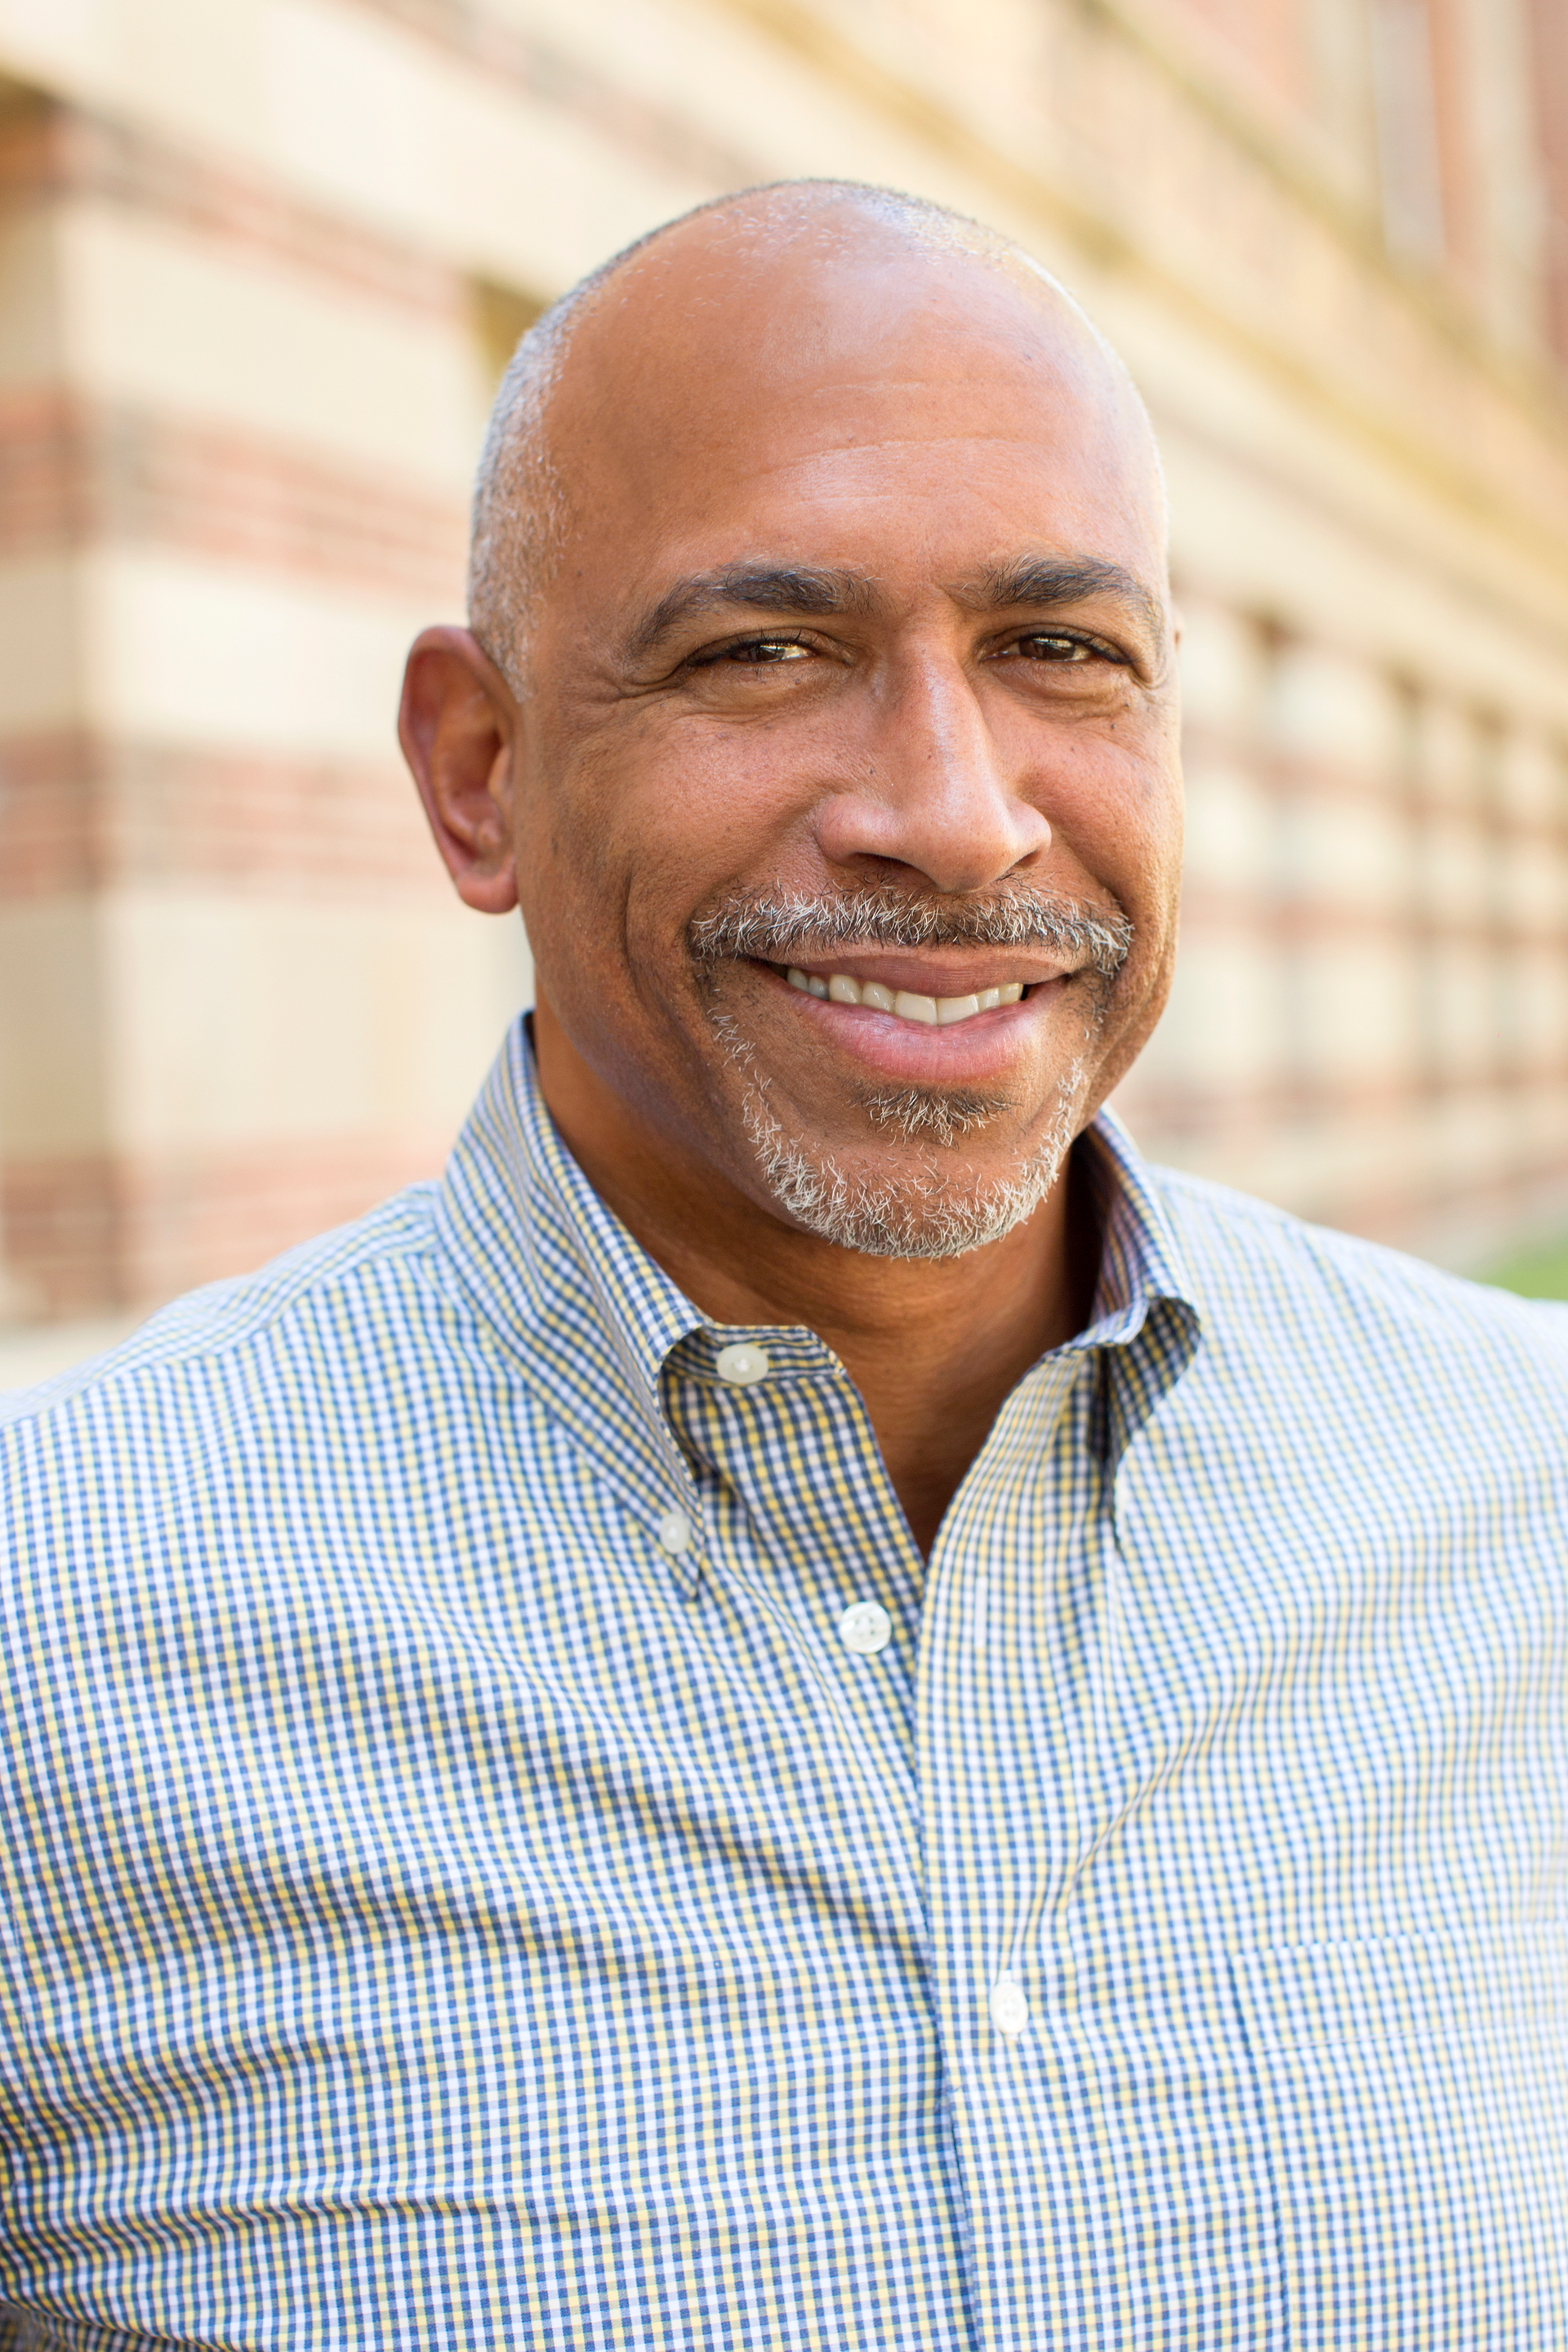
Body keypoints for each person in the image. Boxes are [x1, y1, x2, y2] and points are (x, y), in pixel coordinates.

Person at [1, 180, 1564, 2352]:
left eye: (1061, 653)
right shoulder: (51, 1640)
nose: (956, 811)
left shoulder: (1530, 1505)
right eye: (764, 652)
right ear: (479, 772)